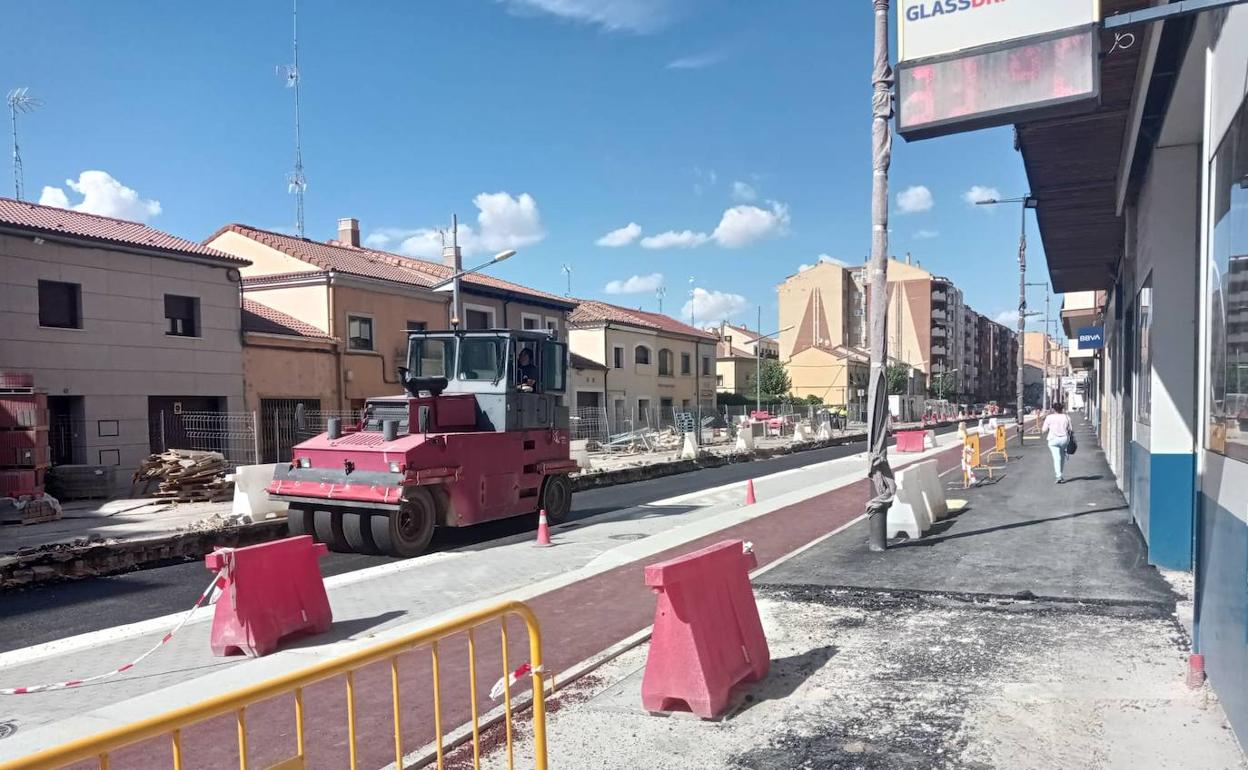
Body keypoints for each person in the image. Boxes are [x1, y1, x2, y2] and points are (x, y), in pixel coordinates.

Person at [1042, 401, 1074, 483]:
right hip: (1064, 439)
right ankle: (1060, 475)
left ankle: (1058, 476)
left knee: (1057, 458)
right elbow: (1070, 429)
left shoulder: (1049, 417)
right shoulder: (1066, 417)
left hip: (1053, 440)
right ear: (1062, 409)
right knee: (1062, 457)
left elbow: (1043, 430)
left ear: (1053, 409)